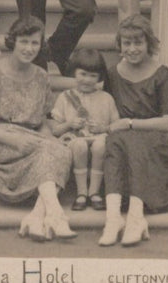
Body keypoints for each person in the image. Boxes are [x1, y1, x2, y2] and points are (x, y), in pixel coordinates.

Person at [0, 16, 76, 241]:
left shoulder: (41, 76)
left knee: (61, 150)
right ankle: (56, 214)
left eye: (34, 43)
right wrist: (14, 141)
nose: (29, 48)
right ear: (13, 41)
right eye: (24, 41)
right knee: (49, 152)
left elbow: (41, 123)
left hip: (29, 137)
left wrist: (51, 141)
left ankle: (38, 215)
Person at [99, 15, 168, 247]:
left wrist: (130, 123)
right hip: (128, 136)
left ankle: (136, 217)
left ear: (148, 44)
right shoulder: (113, 74)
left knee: (134, 142)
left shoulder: (161, 73)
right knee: (115, 142)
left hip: (163, 136)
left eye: (138, 43)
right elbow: (111, 112)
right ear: (120, 46)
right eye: (127, 43)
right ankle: (113, 219)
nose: (132, 49)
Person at [50, 48, 120, 212]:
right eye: (83, 74)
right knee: (80, 145)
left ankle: (94, 192)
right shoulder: (65, 97)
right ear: (74, 72)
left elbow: (116, 125)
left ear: (99, 77)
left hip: (99, 139)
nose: (87, 80)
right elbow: (55, 130)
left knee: (100, 145)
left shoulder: (106, 98)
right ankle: (81, 193)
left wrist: (103, 128)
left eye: (93, 76)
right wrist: (69, 124)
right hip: (75, 140)